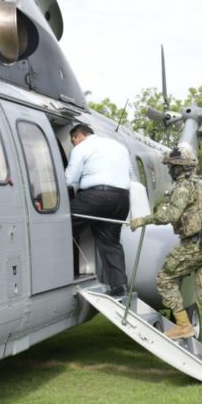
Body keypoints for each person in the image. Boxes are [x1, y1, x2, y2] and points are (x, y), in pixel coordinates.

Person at [130, 145, 202, 360]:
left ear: (179, 167)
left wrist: (142, 220)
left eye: (171, 167)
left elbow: (170, 215)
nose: (169, 171)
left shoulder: (183, 187)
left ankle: (183, 325)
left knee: (165, 278)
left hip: (194, 244)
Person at [65, 123, 132, 296]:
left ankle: (62, 274)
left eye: (73, 141)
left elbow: (69, 179)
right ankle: (119, 286)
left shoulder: (81, 147)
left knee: (60, 225)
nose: (74, 145)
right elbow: (129, 175)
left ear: (78, 136)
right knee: (111, 242)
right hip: (122, 199)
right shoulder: (119, 147)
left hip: (96, 196)